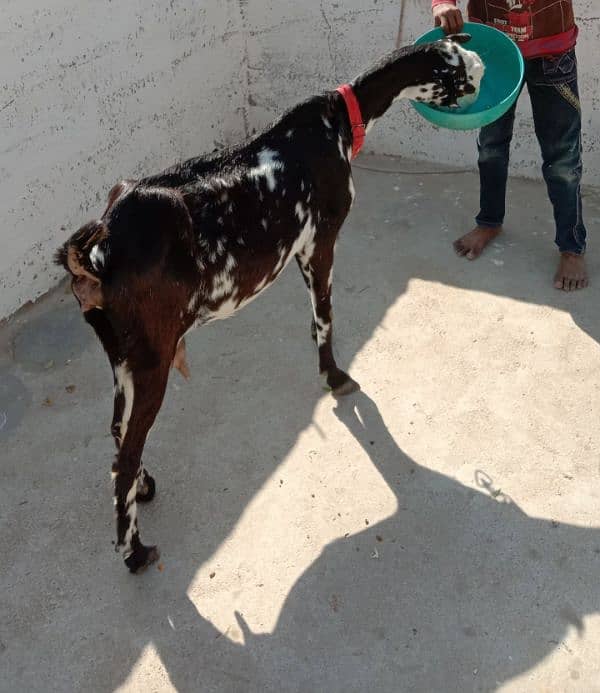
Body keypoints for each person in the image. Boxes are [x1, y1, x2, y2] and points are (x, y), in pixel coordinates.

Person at [432, 0, 588, 290]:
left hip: (553, 52)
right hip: (494, 48)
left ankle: (571, 247)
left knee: (563, 160)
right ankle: (489, 222)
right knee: (491, 146)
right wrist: (442, 4)